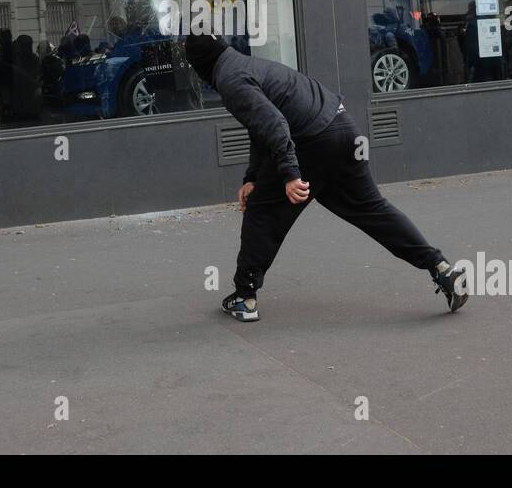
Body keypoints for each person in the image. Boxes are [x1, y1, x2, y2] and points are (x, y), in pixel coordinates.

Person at [183, 33, 467, 323]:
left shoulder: (230, 80)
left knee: (262, 211)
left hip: (313, 142)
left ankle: (244, 297)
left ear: (200, 66)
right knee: (373, 210)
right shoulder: (248, 65)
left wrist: (291, 174)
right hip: (344, 129)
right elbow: (260, 128)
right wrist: (252, 177)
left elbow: (274, 125)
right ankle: (440, 267)